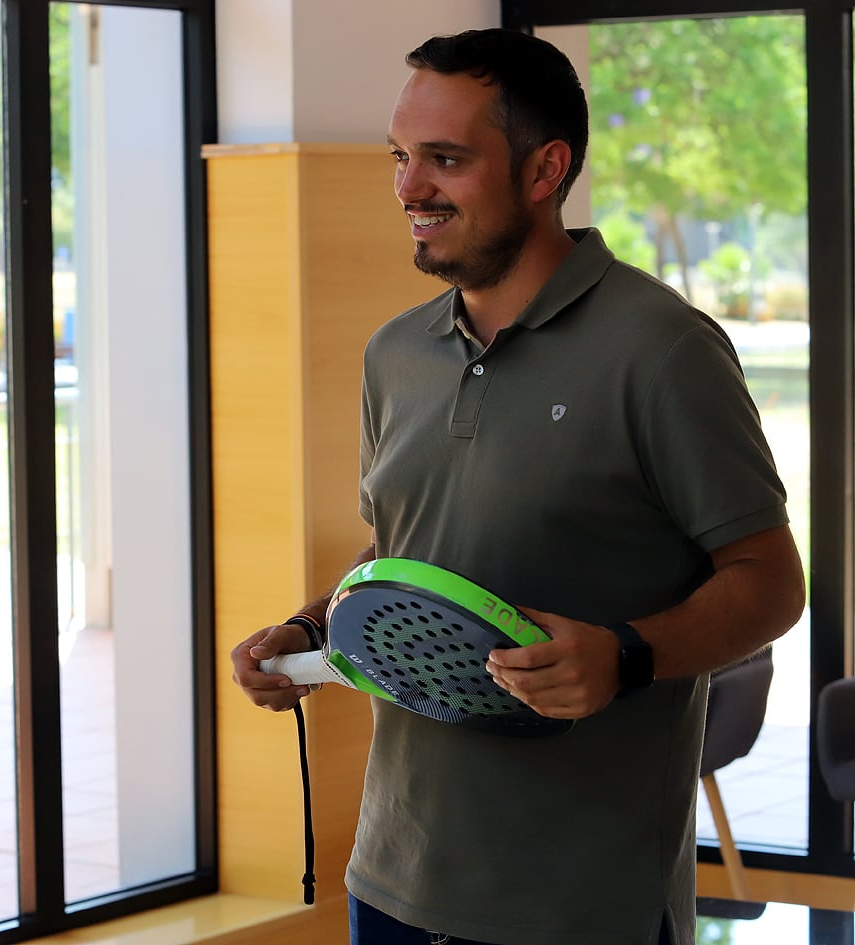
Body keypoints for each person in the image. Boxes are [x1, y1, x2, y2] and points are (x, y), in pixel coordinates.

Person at [230, 28, 806, 945]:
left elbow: (770, 579)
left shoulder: (664, 350)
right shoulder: (395, 354)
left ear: (546, 170)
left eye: (445, 160)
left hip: (581, 904)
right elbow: (404, 547)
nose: (410, 188)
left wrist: (626, 654)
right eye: (400, 157)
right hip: (390, 879)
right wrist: (308, 632)